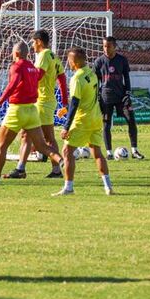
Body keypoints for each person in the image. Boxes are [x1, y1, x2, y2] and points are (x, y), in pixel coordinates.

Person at [0, 41, 66, 185]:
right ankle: (62, 161)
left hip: (17, 109)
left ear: (16, 53)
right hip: (32, 110)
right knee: (42, 146)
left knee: (2, 145)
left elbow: (12, 85)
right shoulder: (33, 68)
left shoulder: (17, 66)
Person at [6, 30, 68, 179]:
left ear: (39, 41)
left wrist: (24, 81)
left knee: (39, 136)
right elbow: (62, 78)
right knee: (37, 136)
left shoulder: (44, 55)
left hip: (42, 101)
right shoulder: (53, 55)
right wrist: (64, 101)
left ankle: (55, 167)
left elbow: (37, 76)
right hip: (47, 101)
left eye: (33, 42)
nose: (32, 45)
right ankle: (50, 169)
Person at [55, 47, 113, 196]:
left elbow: (75, 102)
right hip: (95, 119)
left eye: (69, 59)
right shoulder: (92, 73)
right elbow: (86, 98)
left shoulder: (77, 78)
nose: (68, 62)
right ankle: (108, 187)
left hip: (83, 120)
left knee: (67, 151)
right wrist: (66, 109)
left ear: (73, 61)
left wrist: (66, 127)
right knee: (97, 153)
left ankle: (69, 187)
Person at [92, 36, 144, 160]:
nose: (106, 48)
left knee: (131, 119)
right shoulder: (99, 61)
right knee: (106, 124)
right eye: (104, 46)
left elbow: (126, 78)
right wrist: (97, 96)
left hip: (121, 97)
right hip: (106, 98)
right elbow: (95, 81)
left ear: (115, 46)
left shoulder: (122, 60)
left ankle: (134, 151)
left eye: (108, 46)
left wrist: (128, 93)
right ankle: (109, 153)